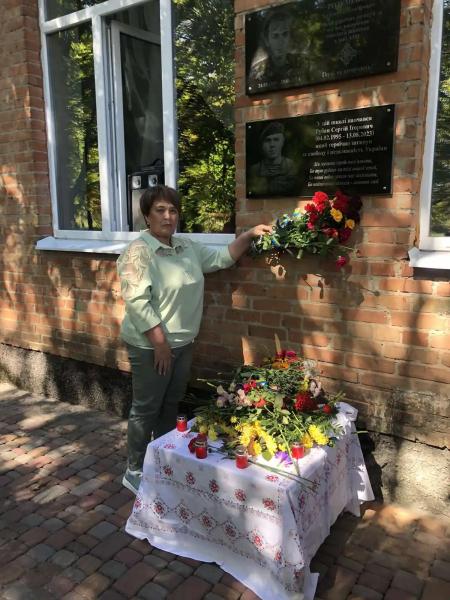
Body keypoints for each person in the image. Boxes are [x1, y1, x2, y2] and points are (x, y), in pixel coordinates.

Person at [116, 185, 272, 494]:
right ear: (147, 216)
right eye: (160, 210)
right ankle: (134, 469)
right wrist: (160, 343)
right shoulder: (138, 252)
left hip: (183, 343)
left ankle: (161, 456)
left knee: (171, 402)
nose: (168, 216)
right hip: (151, 346)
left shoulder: (186, 247)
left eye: (173, 210)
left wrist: (249, 235)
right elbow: (137, 302)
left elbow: (220, 258)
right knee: (146, 407)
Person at [248, 9, 299, 90]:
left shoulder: (303, 63)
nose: (280, 41)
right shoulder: (256, 72)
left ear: (290, 37)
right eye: (275, 35)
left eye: (285, 34)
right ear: (267, 40)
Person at [248, 121, 298, 196]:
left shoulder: (290, 166)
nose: (272, 145)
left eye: (276, 140)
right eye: (268, 140)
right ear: (262, 144)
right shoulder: (255, 169)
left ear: (282, 142)